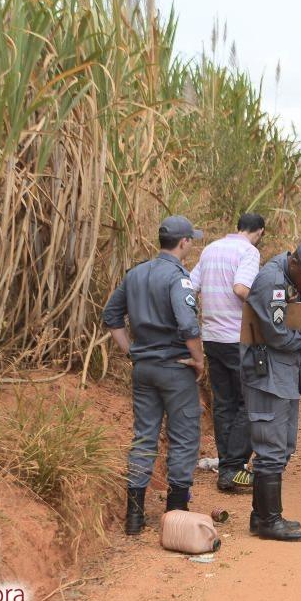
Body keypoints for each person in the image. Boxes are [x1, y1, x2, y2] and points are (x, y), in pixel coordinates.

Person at [102, 216, 207, 536]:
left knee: (144, 437)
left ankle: (134, 516)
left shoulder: (136, 273)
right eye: (192, 240)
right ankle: (175, 512)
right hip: (175, 367)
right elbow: (188, 325)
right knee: (184, 436)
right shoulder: (179, 278)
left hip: (144, 368)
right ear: (184, 242)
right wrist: (199, 360)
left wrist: (131, 352)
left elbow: (111, 316)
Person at [241, 239, 301, 542]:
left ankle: (261, 515)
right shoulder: (272, 283)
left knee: (284, 444)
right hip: (267, 374)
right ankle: (269, 520)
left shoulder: (292, 279)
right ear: (295, 264)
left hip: (284, 373)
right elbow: (278, 336)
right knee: (271, 446)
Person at [189, 213, 265, 493]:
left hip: (211, 337)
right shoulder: (249, 251)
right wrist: (264, 306)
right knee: (250, 400)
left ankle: (226, 464)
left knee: (224, 403)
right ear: (259, 231)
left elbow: (190, 285)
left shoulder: (210, 249)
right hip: (237, 337)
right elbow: (241, 287)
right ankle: (232, 467)